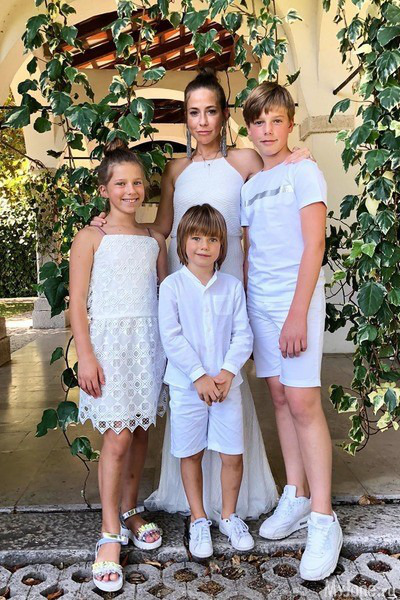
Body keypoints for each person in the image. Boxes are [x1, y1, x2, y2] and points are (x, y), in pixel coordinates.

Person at [91, 68, 311, 522]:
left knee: (227, 383)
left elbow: (278, 181)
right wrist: (109, 225)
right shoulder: (176, 169)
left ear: (224, 115)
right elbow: (162, 229)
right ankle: (189, 500)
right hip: (184, 288)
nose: (203, 121)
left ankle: (235, 501)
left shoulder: (246, 160)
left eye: (211, 111)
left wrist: (299, 155)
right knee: (190, 383)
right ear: (186, 118)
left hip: (229, 288)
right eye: (194, 112)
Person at [241, 82, 342, 581]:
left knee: (303, 401)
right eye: (258, 122)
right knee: (280, 398)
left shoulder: (305, 171)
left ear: (290, 123)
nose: (267, 130)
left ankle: (324, 518)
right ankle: (297, 495)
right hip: (260, 304)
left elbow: (314, 245)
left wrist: (298, 312)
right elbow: (250, 252)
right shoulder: (250, 185)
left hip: (295, 302)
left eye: (276, 121)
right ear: (249, 128)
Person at [69, 140, 167, 593]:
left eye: (137, 183)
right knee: (118, 435)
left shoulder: (153, 240)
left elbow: (165, 296)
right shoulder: (91, 237)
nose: (131, 191)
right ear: (105, 190)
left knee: (141, 431)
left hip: (148, 346)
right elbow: (77, 304)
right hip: (109, 348)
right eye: (121, 183)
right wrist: (85, 355)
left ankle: (130, 509)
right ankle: (109, 532)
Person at [159, 204, 255, 557]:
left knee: (232, 453)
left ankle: (228, 516)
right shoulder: (172, 286)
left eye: (212, 239)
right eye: (196, 238)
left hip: (227, 386)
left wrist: (227, 372)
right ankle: (198, 518)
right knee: (191, 453)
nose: (204, 246)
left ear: (222, 246)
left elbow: (243, 334)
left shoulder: (231, 287)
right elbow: (171, 337)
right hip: (188, 387)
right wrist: (199, 376)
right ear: (182, 242)